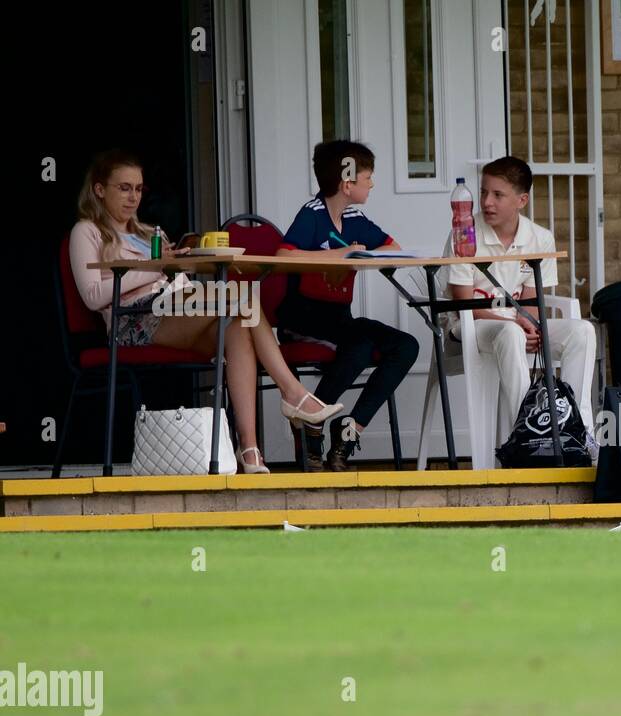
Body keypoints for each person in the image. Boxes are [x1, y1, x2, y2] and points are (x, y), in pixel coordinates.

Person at [70, 150, 342, 474]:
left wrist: (179, 263)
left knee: (239, 324)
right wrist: (155, 267)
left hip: (172, 305)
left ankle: (251, 449)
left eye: (139, 189)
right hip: (131, 320)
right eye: (124, 188)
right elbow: (92, 296)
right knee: (243, 296)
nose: (133, 197)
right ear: (100, 189)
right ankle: (293, 393)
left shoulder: (148, 232)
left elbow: (166, 276)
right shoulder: (87, 231)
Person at [419, 157, 596, 455]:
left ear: (521, 200)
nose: (487, 202)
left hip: (515, 324)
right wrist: (517, 326)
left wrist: (530, 324)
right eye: (484, 192)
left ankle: (576, 431)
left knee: (583, 331)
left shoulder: (539, 237)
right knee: (510, 334)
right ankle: (528, 438)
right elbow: (463, 300)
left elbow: (532, 298)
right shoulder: (464, 232)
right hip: (470, 326)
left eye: (498, 195)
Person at [276, 140, 420, 471]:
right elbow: (283, 256)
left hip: (339, 319)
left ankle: (349, 432)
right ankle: (312, 425)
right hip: (303, 321)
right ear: (347, 182)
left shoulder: (354, 217)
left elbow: (391, 246)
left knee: (405, 345)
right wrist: (338, 255)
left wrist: (364, 254)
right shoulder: (311, 214)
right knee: (359, 346)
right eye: (367, 177)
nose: (372, 184)